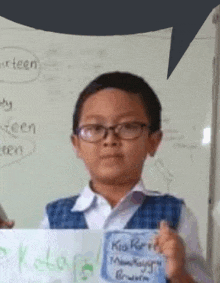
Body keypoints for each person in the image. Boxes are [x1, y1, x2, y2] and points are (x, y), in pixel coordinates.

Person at [3, 72, 213, 282]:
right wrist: (6, 252)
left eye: (128, 127)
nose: (110, 139)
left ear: (153, 141)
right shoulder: (55, 217)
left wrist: (178, 274)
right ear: (77, 144)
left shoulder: (176, 215)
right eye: (94, 128)